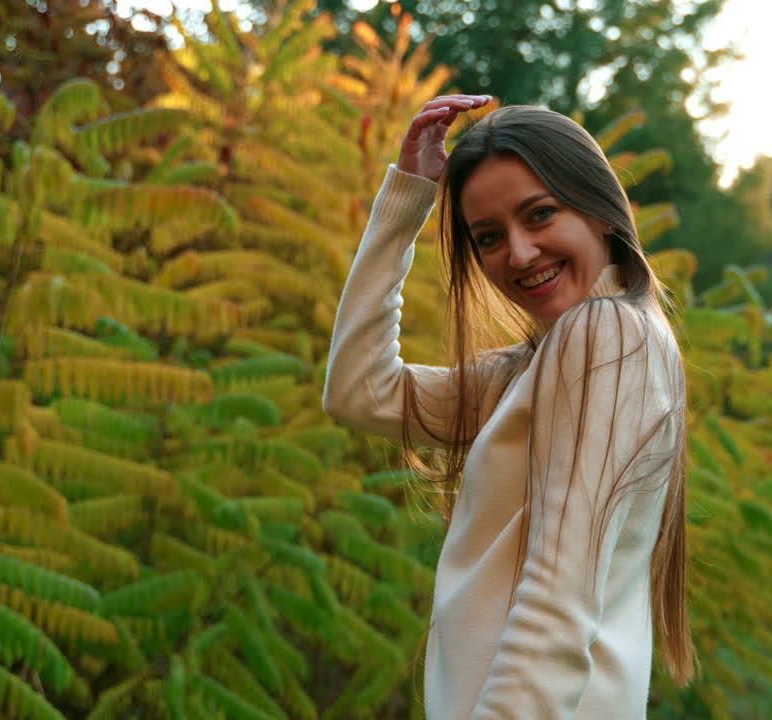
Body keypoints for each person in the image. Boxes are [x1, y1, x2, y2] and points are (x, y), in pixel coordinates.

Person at [323, 94, 694, 719]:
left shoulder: (607, 336)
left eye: (540, 214)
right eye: (489, 237)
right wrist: (407, 198)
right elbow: (358, 390)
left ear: (601, 212)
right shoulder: (540, 367)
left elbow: (558, 597)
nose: (519, 254)